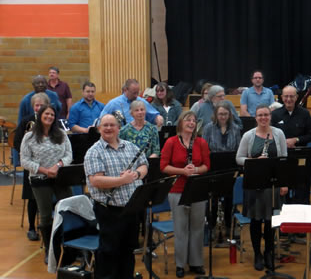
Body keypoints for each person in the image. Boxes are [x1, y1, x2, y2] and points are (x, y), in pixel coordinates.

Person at [84, 114, 149, 279]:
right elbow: (96, 180)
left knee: (128, 251)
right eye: (104, 125)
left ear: (119, 128)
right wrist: (122, 180)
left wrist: (135, 174)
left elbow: (144, 165)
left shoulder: (130, 146)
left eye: (112, 125)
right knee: (109, 253)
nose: (108, 128)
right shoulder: (94, 152)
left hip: (131, 209)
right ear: (99, 129)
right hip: (109, 210)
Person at [236, 104, 288, 271]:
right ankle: (258, 253)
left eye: (266, 115)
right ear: (255, 117)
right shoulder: (248, 135)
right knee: (256, 221)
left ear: (270, 116)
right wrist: (254, 161)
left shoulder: (278, 133)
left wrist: (283, 183)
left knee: (271, 221)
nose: (263, 118)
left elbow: (284, 159)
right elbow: (239, 158)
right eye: (260, 115)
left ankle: (269, 252)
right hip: (254, 184)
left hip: (272, 184)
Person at [20, 104, 73, 263]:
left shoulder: (62, 134)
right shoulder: (29, 137)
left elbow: (69, 155)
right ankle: (51, 250)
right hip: (39, 179)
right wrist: (44, 170)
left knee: (69, 210)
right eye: (46, 114)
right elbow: (24, 160)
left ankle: (70, 247)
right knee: (45, 215)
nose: (49, 117)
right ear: (40, 115)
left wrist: (57, 166)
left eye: (52, 114)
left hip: (60, 177)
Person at [160, 111, 210, 277]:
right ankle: (180, 264)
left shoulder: (201, 142)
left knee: (197, 228)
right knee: (180, 228)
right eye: (188, 120)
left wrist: (195, 170)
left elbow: (206, 166)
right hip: (177, 190)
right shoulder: (171, 142)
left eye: (194, 120)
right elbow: (164, 167)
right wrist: (182, 171)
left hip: (197, 189)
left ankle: (196, 263)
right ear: (180, 123)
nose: (191, 123)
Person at [13, 93, 50, 242]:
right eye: (36, 105)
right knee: (32, 198)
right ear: (33, 106)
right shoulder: (26, 121)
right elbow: (17, 142)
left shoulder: (52, 121)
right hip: (32, 167)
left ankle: (48, 225)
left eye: (42, 105)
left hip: (49, 165)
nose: (39, 108)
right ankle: (31, 228)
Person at [202, 101, 241, 236]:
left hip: (229, 169)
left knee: (229, 199)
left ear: (229, 114)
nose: (223, 116)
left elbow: (238, 149)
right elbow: (204, 149)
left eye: (225, 114)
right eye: (220, 114)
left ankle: (229, 226)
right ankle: (212, 226)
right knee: (213, 200)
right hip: (213, 169)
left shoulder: (235, 128)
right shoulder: (208, 128)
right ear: (216, 114)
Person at [271, 85, 311, 205]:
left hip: (300, 158)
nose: (289, 99)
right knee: (284, 191)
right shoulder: (275, 115)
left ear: (296, 97)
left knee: (302, 189)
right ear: (281, 97)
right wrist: (283, 142)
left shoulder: (305, 114)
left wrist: (295, 140)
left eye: (291, 96)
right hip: (281, 159)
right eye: (286, 96)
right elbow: (270, 136)